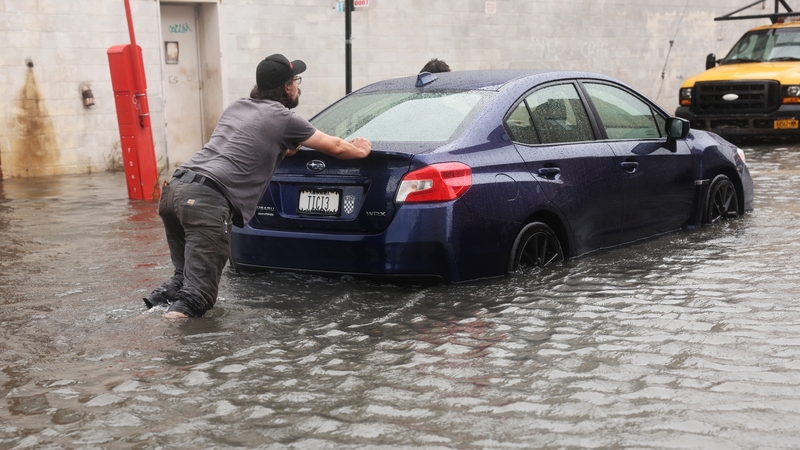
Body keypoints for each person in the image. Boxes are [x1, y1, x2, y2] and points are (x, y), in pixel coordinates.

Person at [144, 53, 372, 319]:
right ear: (287, 87)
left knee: (182, 281)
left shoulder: (237, 106)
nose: (298, 85)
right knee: (196, 297)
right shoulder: (285, 118)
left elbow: (248, 145)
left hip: (176, 188)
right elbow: (335, 147)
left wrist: (287, 147)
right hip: (206, 200)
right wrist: (362, 150)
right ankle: (168, 348)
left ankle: (141, 322)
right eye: (296, 80)